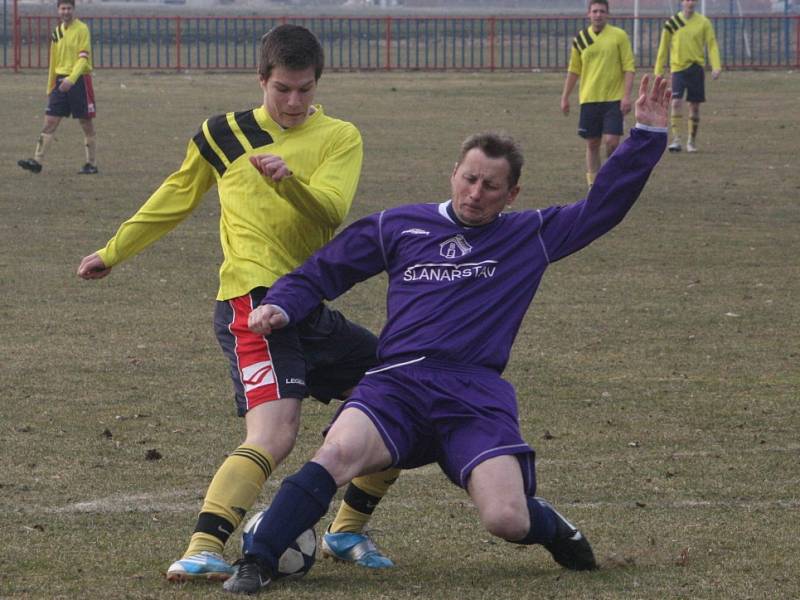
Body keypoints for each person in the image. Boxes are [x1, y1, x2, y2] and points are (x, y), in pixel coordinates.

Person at [221, 74, 671, 595]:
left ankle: (550, 525)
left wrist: (647, 136)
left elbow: (601, 209)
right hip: (397, 384)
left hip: (474, 393)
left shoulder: (531, 235)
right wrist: (281, 303)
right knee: (335, 455)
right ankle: (256, 560)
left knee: (505, 518)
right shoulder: (399, 226)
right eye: (469, 178)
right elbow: (324, 270)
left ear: (512, 193)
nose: (475, 193)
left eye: (491, 186)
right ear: (454, 172)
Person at [76, 24, 399, 582]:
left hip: (309, 306)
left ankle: (346, 531)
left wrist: (287, 180)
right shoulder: (222, 133)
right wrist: (113, 251)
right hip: (251, 304)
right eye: (282, 89)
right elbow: (175, 195)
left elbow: (328, 211)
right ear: (261, 80)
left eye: (304, 89)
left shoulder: (340, 136)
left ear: (317, 83)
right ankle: (202, 546)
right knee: (274, 434)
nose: (294, 102)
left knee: (398, 395)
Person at [18, 0, 98, 175]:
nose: (66, 11)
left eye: (69, 8)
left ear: (73, 10)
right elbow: (53, 62)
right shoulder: (56, 32)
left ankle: (90, 163)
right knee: (49, 122)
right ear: (58, 10)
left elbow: (83, 58)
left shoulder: (82, 29)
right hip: (60, 82)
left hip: (79, 81)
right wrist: (50, 86)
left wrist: (72, 79)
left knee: (86, 123)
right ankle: (37, 161)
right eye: (63, 8)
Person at [561, 0, 635, 187]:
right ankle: (593, 185)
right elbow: (574, 70)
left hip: (613, 99)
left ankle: (610, 178)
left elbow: (629, 67)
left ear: (608, 14)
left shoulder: (619, 36)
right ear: (588, 14)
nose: (598, 14)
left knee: (611, 142)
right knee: (592, 144)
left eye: (602, 11)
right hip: (589, 99)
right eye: (595, 11)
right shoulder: (581, 39)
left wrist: (626, 96)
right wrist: (565, 97)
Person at [654, 0, 721, 153]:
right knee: (676, 102)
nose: (690, 3)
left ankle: (691, 140)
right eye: (687, 0)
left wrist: (716, 66)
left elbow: (711, 44)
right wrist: (658, 70)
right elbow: (663, 47)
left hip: (696, 69)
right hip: (678, 69)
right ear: (682, 2)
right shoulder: (672, 22)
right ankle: (676, 139)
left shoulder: (703, 22)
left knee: (694, 106)